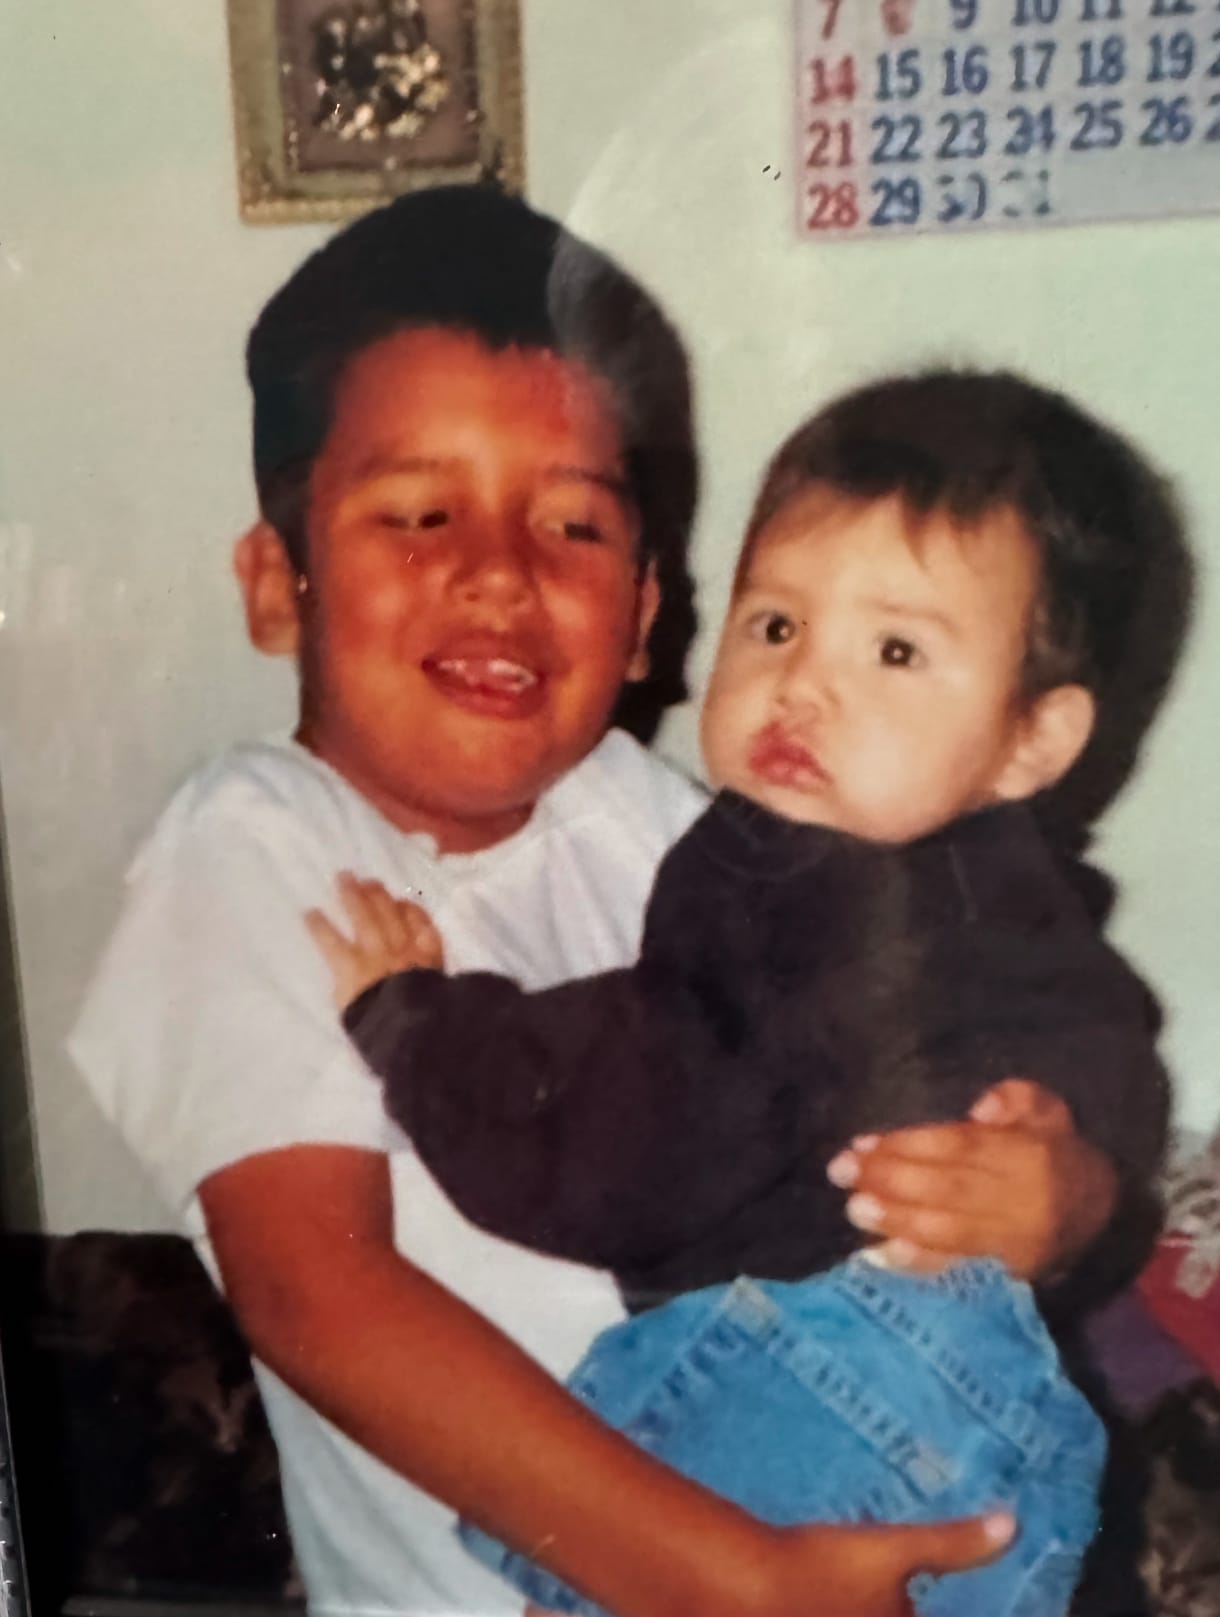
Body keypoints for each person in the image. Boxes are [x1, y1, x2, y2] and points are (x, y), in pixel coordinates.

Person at [70, 187, 1125, 1617]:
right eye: (420, 511)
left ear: (639, 617)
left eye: (570, 526)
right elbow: (321, 1296)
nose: (497, 571)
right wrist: (729, 1580)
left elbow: (941, 1048)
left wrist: (1049, 1189)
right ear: (279, 584)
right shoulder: (253, 840)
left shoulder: (672, 826)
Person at [310, 371, 1175, 1616]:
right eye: (775, 626)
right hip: (988, 1422)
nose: (803, 685)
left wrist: (416, 1024)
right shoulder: (997, 901)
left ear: (1032, 740)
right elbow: (1101, 1045)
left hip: (829, 1395)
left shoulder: (799, 894)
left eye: (894, 649)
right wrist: (1076, 1178)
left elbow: (619, 1138)